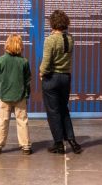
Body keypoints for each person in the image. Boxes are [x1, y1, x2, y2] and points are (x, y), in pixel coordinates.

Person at [39, 10, 82, 154]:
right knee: (64, 109)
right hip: (65, 78)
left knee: (53, 112)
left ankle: (58, 143)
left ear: (52, 23)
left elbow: (46, 63)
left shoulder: (50, 39)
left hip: (52, 78)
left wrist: (41, 73)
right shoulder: (70, 38)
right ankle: (72, 140)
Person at [0, 34, 32, 155]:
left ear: (7, 44)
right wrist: (27, 94)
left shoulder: (1, 60)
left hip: (4, 95)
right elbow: (27, 80)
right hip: (20, 96)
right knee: (22, 121)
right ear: (20, 46)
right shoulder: (24, 62)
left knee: (2, 121)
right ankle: (26, 146)